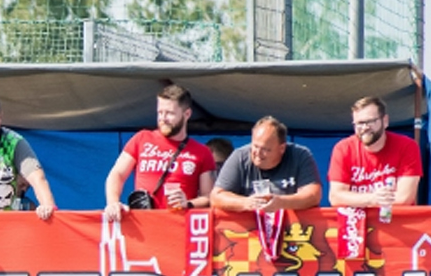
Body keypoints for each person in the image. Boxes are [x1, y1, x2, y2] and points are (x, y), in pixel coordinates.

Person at [103, 85, 216, 218]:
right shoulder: (142, 138)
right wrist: (113, 202)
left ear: (187, 114)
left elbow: (209, 198)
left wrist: (188, 203)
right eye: (160, 112)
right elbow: (117, 174)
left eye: (170, 113)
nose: (163, 118)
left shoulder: (201, 152)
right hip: (144, 222)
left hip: (178, 225)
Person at [211, 117, 323, 215]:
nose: (257, 153)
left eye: (265, 149)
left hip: (293, 231)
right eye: (255, 146)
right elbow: (216, 197)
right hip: (249, 233)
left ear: (282, 148)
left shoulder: (300, 155)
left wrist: (282, 203)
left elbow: (313, 195)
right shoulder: (240, 157)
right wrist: (246, 203)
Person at [328, 95, 421, 211]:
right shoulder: (343, 148)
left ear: (385, 121)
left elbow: (404, 198)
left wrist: (356, 200)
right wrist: (372, 199)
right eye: (359, 123)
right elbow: (336, 197)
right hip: (356, 223)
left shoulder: (407, 146)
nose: (365, 127)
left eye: (370, 121)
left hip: (396, 222)